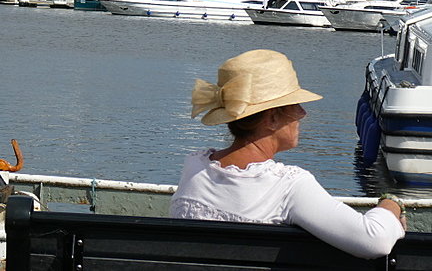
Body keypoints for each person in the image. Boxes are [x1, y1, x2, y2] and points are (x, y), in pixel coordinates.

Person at [170, 49, 405, 259]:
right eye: (295, 105)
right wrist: (391, 204)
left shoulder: (194, 168)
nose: (303, 113)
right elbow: (375, 240)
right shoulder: (286, 186)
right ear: (271, 119)